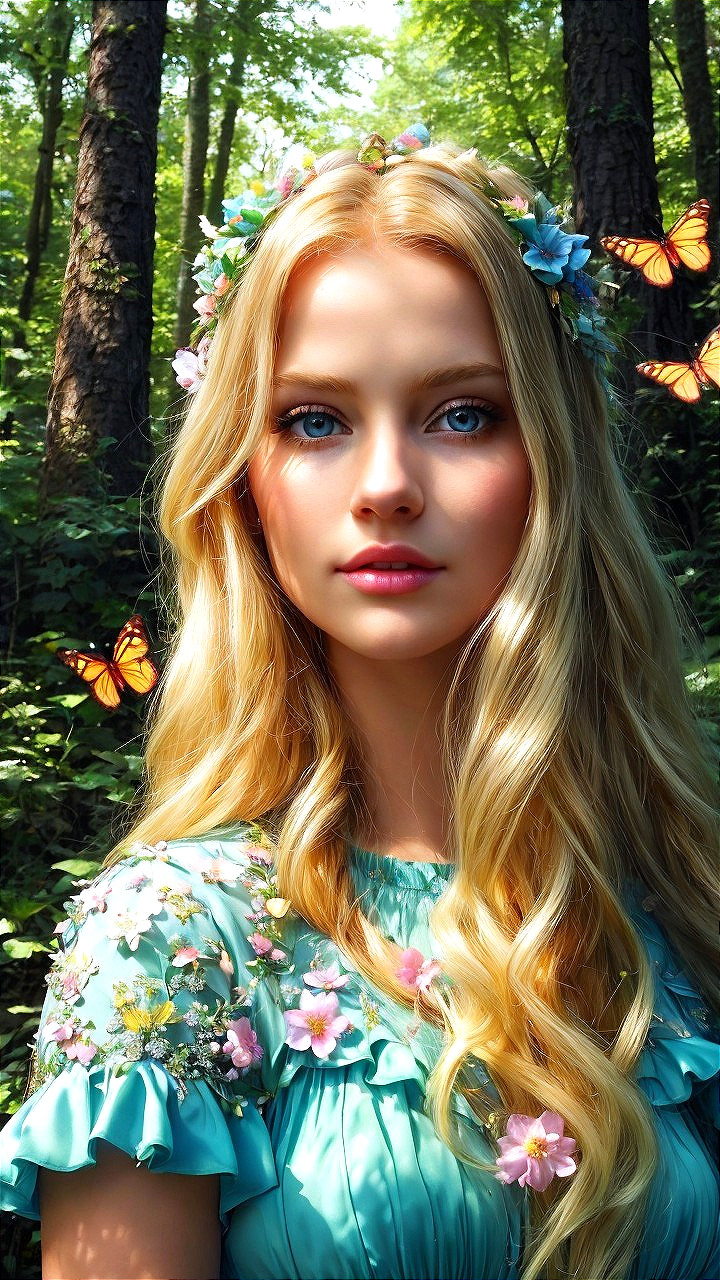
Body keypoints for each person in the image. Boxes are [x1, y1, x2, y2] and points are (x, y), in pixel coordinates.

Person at [1, 131, 718, 1280]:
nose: (387, 483)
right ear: (243, 478)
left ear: (554, 456)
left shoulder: (679, 901)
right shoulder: (174, 942)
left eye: (463, 413)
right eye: (316, 421)